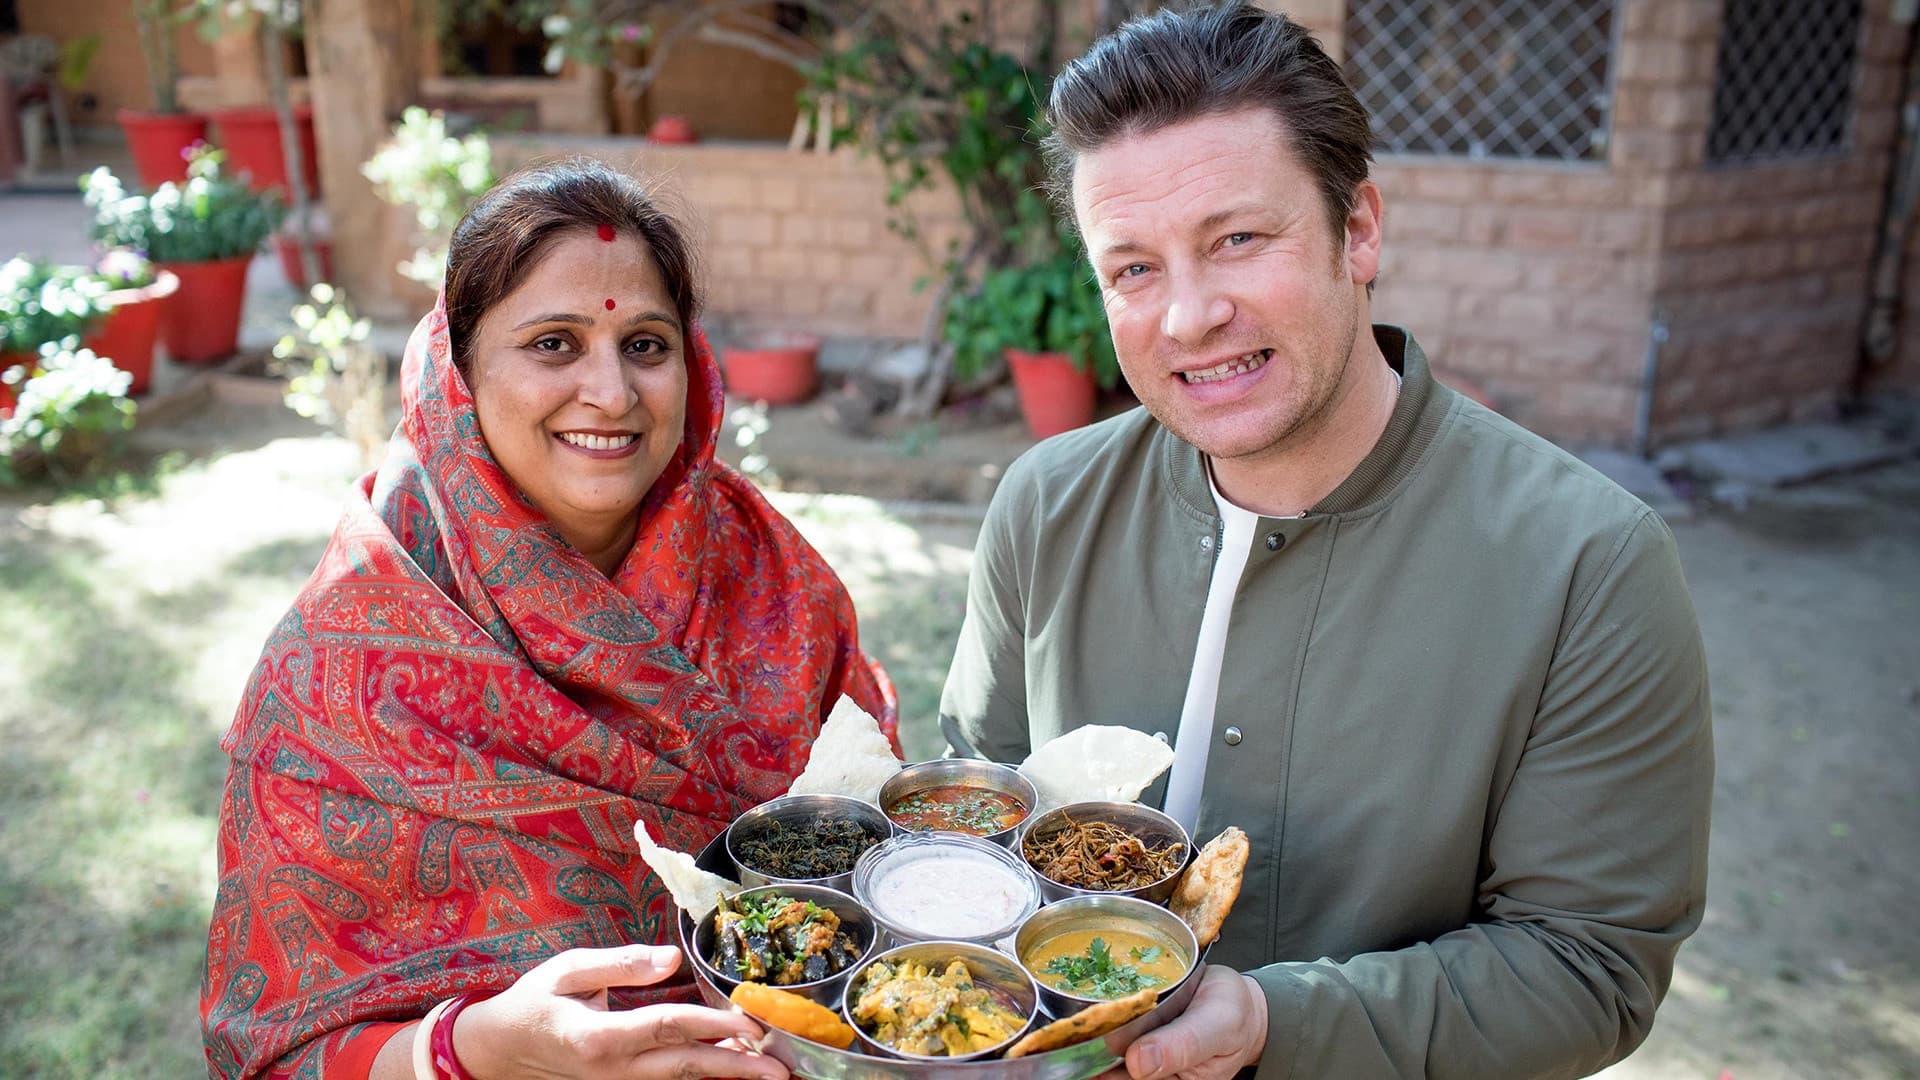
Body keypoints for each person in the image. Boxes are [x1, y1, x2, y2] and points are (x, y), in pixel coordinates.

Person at [940, 5, 1714, 1078]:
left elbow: (1591, 968)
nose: (1189, 317)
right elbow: (973, 817)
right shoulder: (1044, 503)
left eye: (1238, 240)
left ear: (1359, 231)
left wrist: (1272, 1023)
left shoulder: (1588, 564)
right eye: (1133, 270)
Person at [202, 159, 895, 1079]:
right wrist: (471, 1049)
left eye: (646, 344)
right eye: (554, 345)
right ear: (459, 372)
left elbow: (888, 871)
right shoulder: (338, 666)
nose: (610, 393)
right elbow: (272, 1048)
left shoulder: (776, 585)